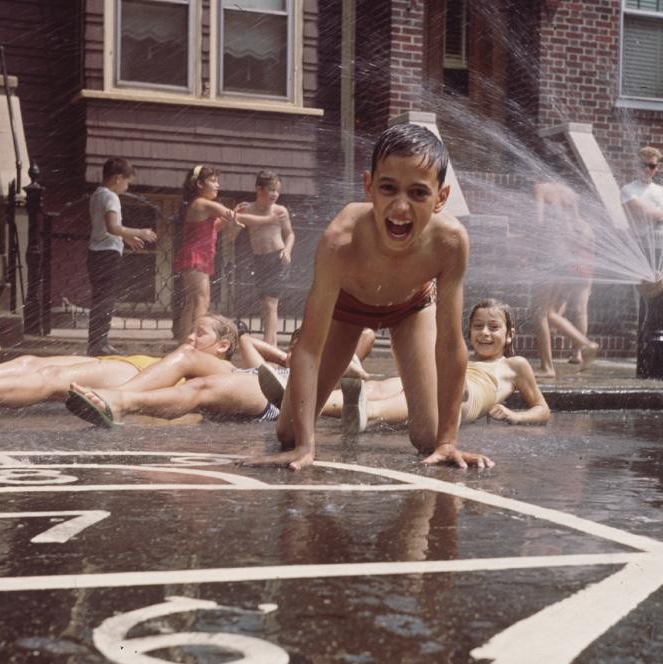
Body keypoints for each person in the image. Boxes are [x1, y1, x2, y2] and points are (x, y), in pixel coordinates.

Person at [257, 122, 492, 470]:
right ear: (368, 187)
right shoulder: (341, 239)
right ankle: (301, 399)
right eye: (388, 188)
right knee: (288, 434)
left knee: (428, 439)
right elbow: (308, 345)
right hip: (347, 309)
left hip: (412, 307)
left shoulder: (451, 241)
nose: (400, 207)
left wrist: (448, 441)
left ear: (441, 198)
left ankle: (337, 393)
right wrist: (307, 446)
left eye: (418, 193)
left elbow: (450, 344)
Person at [0, 314, 260, 417]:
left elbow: (196, 396)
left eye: (198, 333)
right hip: (122, 364)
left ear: (223, 346)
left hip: (129, 374)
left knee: (50, 379)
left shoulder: (222, 371)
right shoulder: (189, 359)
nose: (189, 337)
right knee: (30, 361)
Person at [62, 328, 377, 428]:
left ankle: (122, 405)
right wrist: (283, 356)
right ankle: (116, 395)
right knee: (187, 356)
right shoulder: (269, 366)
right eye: (292, 343)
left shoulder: (325, 369)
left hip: (274, 396)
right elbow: (247, 340)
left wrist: (325, 349)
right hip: (249, 379)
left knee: (203, 387)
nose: (296, 348)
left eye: (303, 345)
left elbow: (366, 333)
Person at [325, 299, 550, 434]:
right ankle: (304, 401)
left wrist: (515, 416)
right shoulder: (465, 360)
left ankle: (368, 413)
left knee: (431, 391)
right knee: (379, 387)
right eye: (478, 326)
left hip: (468, 394)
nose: (484, 333)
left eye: (493, 327)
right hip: (448, 375)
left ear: (509, 335)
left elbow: (542, 409)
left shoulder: (514, 365)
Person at [86, 157, 157, 356]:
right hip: (107, 254)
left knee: (100, 298)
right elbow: (113, 226)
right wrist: (140, 232)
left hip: (95, 252)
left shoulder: (97, 194)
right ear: (118, 178)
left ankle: (97, 341)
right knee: (106, 299)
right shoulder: (111, 197)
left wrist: (127, 238)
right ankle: (99, 343)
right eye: (127, 182)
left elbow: (104, 228)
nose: (127, 187)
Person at [531, 180, 598, 377]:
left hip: (547, 254)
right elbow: (576, 227)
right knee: (550, 312)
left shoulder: (541, 188)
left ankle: (547, 367)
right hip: (564, 257)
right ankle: (586, 344)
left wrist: (524, 242)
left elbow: (539, 222)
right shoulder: (569, 192)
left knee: (539, 314)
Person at [172, 165, 238, 339]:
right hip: (196, 257)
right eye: (213, 181)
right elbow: (230, 214)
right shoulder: (203, 203)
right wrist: (241, 216)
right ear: (200, 184)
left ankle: (185, 342)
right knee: (202, 300)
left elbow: (214, 227)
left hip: (195, 257)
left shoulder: (199, 205)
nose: (218, 185)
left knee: (191, 302)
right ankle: (197, 341)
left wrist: (233, 216)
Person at [237, 170, 295, 347]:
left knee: (271, 304)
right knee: (265, 306)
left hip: (277, 259)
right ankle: (273, 344)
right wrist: (234, 217)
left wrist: (287, 249)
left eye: (277, 190)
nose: (275, 194)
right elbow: (232, 234)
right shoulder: (248, 209)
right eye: (271, 190)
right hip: (260, 260)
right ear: (258, 189)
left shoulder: (280, 211)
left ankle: (268, 348)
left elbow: (290, 234)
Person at [621, 146, 663, 262]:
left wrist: (662, 216)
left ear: (657, 168)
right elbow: (643, 212)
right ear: (637, 166)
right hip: (637, 247)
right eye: (644, 165)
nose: (647, 169)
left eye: (652, 166)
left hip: (661, 246)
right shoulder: (628, 189)